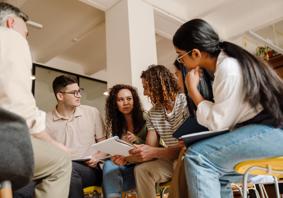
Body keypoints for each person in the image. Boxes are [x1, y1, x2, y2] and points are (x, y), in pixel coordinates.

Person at [173, 18, 283, 198]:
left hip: (275, 132)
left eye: (180, 55)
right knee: (218, 173)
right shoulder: (227, 64)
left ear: (195, 53)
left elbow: (218, 123)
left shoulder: (228, 68)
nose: (181, 62)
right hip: (271, 131)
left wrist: (193, 90)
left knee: (198, 157)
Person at [0, 2, 72, 198]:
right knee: (61, 161)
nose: (25, 38)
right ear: (10, 22)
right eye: (26, 33)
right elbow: (17, 102)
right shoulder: (10, 37)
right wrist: (50, 142)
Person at [127, 65, 189, 198]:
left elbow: (187, 145)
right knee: (142, 170)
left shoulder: (185, 103)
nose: (145, 93)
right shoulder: (153, 113)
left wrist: (154, 152)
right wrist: (128, 157)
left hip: (188, 156)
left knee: (181, 161)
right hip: (171, 158)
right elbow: (150, 148)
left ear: (159, 84)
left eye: (146, 87)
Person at [46, 75, 107, 198]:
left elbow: (104, 145)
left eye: (79, 91)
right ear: (60, 96)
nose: (79, 95)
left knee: (68, 172)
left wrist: (96, 157)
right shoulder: (45, 120)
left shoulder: (92, 113)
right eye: (74, 93)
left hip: (90, 169)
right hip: (58, 169)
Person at [102, 84, 147, 198]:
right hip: (125, 165)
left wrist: (137, 139)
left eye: (129, 98)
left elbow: (155, 146)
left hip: (143, 164)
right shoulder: (116, 123)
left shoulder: (146, 118)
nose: (125, 103)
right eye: (120, 100)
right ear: (115, 104)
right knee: (109, 164)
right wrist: (115, 156)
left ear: (134, 100)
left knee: (110, 177)